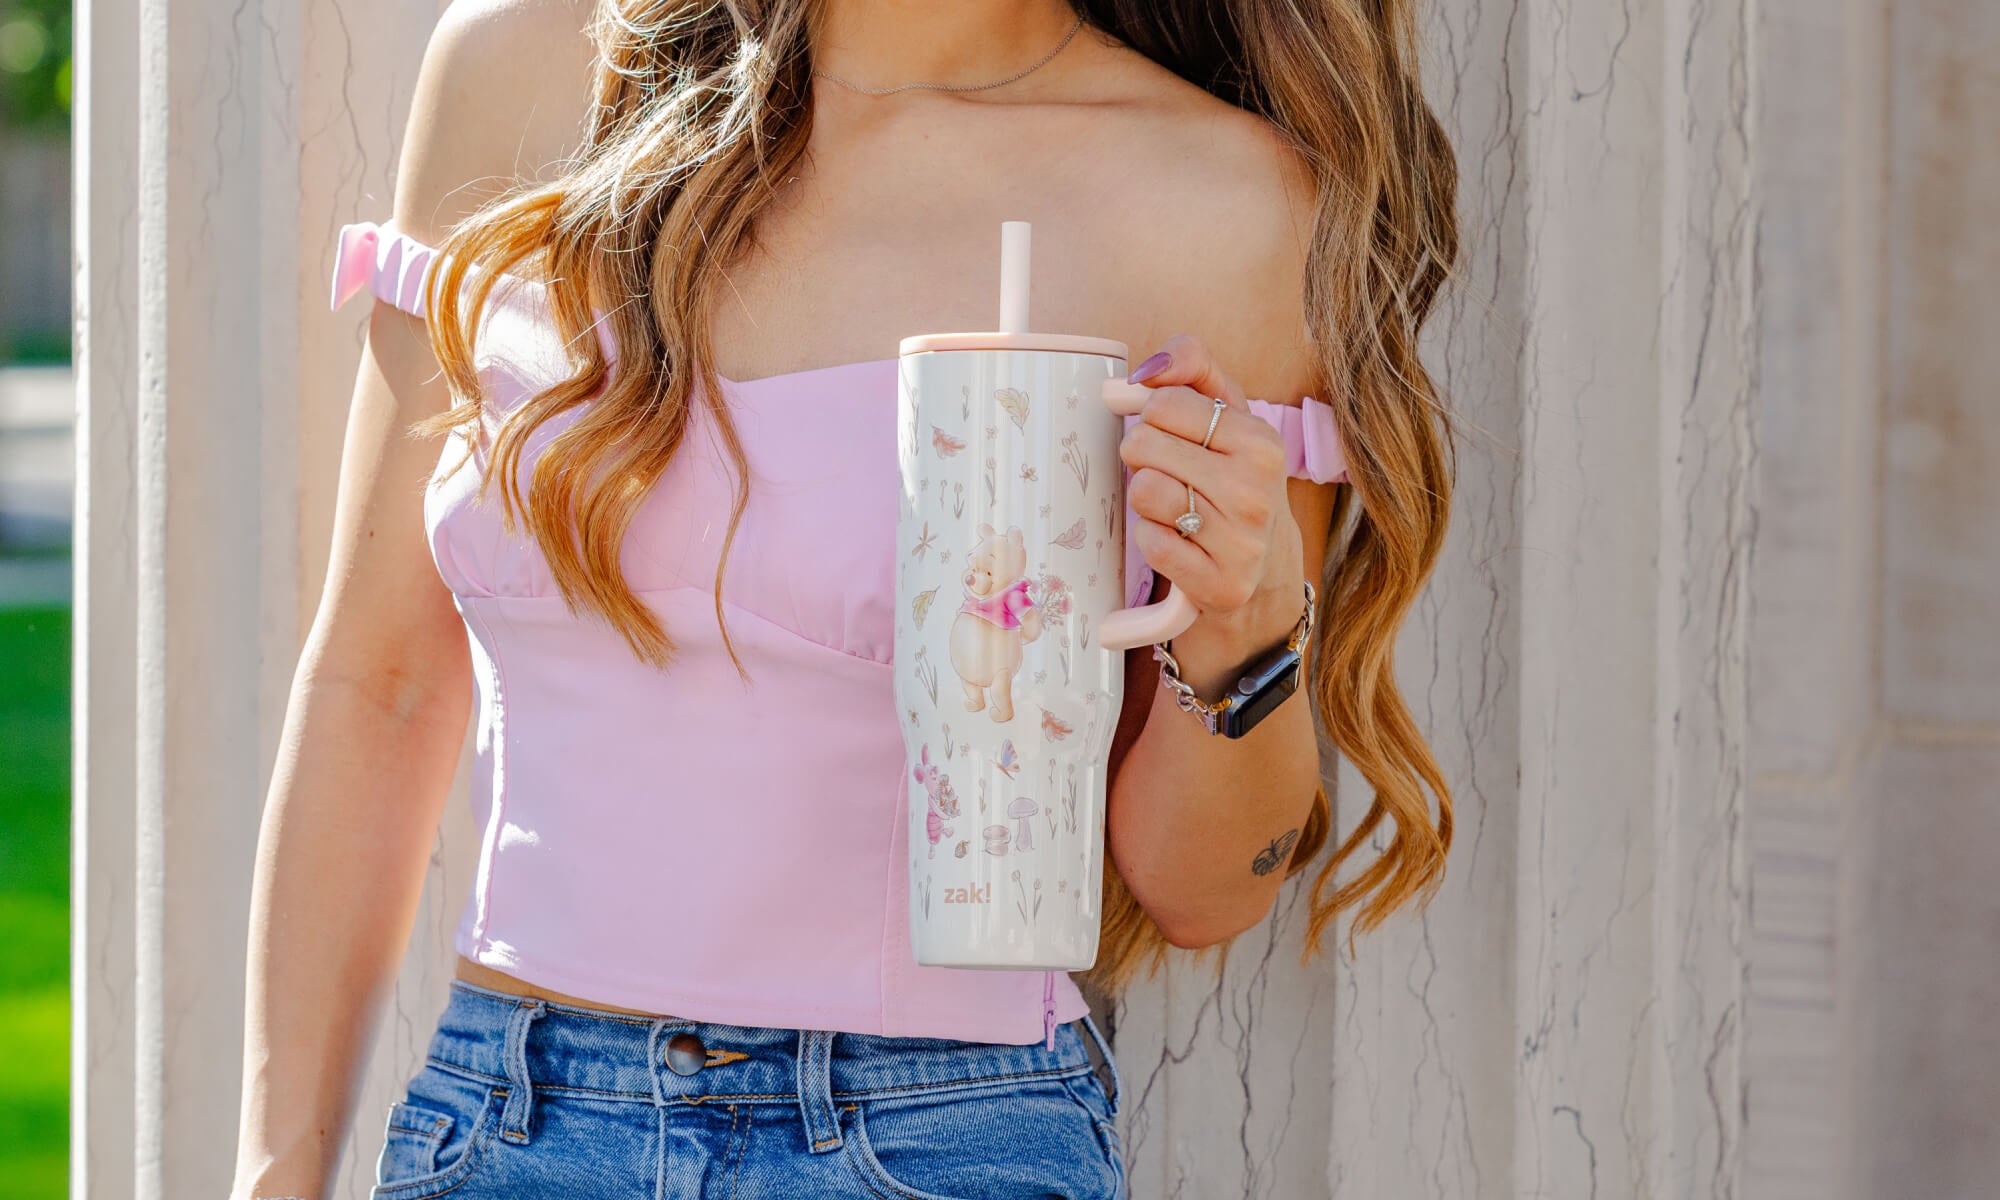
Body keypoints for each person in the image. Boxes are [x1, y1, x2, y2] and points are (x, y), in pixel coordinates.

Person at [229, 1, 1459, 1196]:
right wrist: (275, 1173)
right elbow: (375, 683)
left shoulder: (1225, 208)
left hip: (929, 1142)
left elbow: (1205, 889)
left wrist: (1241, 624)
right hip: (506, 1125)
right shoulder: (518, 71)